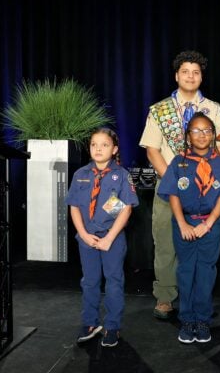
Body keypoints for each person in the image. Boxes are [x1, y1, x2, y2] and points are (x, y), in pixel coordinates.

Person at [139, 50, 220, 319]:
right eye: (185, 72)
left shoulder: (213, 109)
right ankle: (165, 296)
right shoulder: (159, 110)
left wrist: (199, 178)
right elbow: (152, 150)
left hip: (204, 189)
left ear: (201, 77)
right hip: (169, 187)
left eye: (196, 72)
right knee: (165, 242)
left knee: (201, 244)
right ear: (177, 76)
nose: (191, 76)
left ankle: (198, 297)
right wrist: (174, 181)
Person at [157, 112, 220, 343]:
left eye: (207, 131)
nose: (202, 135)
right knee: (185, 271)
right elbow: (173, 193)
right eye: (196, 131)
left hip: (210, 225)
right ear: (187, 136)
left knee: (205, 272)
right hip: (185, 224)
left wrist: (208, 223)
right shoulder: (178, 162)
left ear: (213, 135)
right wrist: (183, 223)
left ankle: (202, 319)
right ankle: (187, 319)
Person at [66, 127, 139, 347]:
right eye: (94, 144)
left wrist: (109, 238)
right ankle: (90, 323)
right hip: (87, 238)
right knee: (89, 281)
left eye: (104, 145)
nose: (98, 149)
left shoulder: (121, 175)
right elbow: (74, 207)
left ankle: (112, 326)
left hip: (111, 239)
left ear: (114, 149)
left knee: (114, 281)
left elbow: (126, 208)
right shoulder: (80, 174)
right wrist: (83, 234)